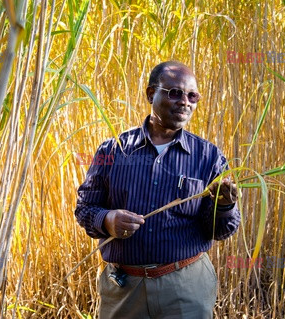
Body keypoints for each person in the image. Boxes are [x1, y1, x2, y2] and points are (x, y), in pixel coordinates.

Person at [74, 61, 240, 319]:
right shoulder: (113, 150)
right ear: (151, 94)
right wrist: (107, 221)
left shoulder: (209, 157)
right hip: (124, 289)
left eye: (192, 95)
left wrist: (224, 207)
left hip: (185, 288)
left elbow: (220, 231)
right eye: (174, 92)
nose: (185, 101)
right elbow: (85, 208)